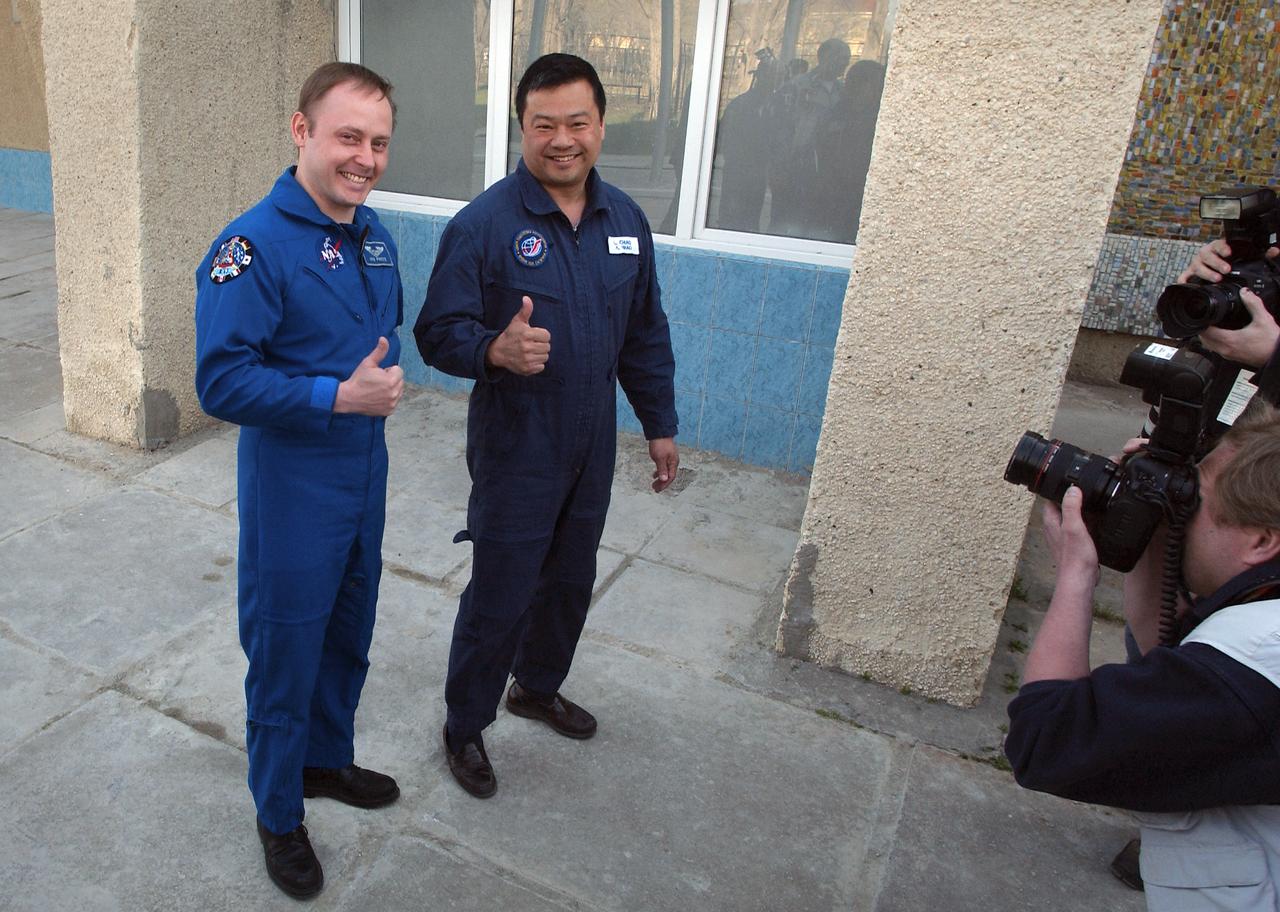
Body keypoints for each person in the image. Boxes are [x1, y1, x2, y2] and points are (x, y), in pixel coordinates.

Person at [414, 53, 678, 799]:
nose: (562, 140)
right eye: (544, 125)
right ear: (521, 128)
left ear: (600, 125)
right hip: (517, 447)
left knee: (568, 581)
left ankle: (535, 686)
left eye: (578, 123)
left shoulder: (625, 221)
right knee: (500, 591)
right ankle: (464, 725)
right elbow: (437, 331)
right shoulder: (483, 226)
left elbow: (644, 332)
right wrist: (491, 348)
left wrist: (658, 422)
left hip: (591, 447)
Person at [194, 62, 405, 900]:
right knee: (285, 649)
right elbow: (221, 381)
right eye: (348, 137)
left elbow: (380, 331)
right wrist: (337, 396)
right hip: (292, 488)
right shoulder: (250, 246)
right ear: (301, 131)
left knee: (348, 631)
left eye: (379, 142)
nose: (365, 158)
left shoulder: (376, 233)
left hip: (363, 480)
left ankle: (324, 762)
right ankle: (278, 812)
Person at [1005, 403, 1280, 910]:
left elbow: (1046, 740)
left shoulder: (1249, 673)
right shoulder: (1259, 621)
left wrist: (1075, 576)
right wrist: (1155, 541)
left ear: (1262, 541)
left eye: (1196, 500)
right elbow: (1169, 662)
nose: (1182, 510)